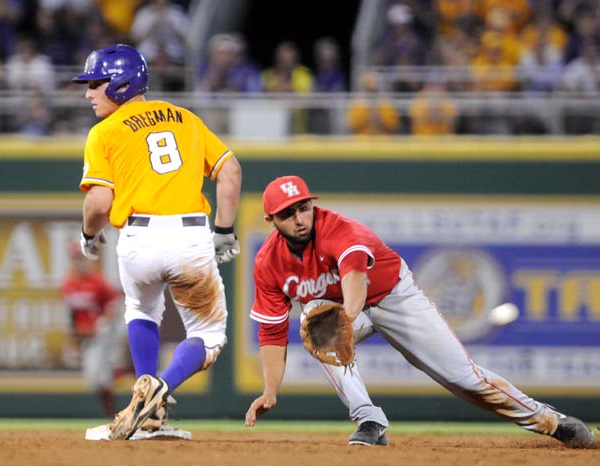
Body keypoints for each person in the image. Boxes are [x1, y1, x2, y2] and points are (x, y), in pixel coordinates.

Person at [244, 175, 595, 449]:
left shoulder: (340, 229)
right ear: (271, 219)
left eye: (303, 207)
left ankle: (550, 421)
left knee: (464, 378)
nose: (299, 218)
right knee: (317, 324)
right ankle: (369, 420)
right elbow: (272, 332)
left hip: (393, 296)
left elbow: (355, 278)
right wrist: (270, 390)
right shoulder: (267, 263)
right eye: (288, 213)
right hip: (340, 309)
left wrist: (347, 319)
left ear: (312, 205)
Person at [73, 43, 242, 440]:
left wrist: (88, 234)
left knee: (140, 312)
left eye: (95, 84)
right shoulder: (186, 119)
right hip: (188, 236)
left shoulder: (105, 132)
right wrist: (224, 230)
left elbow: (99, 201)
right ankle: (159, 392)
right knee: (209, 335)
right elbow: (230, 171)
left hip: (136, 238)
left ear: (119, 84)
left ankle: (146, 410)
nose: (87, 93)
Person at [61, 242, 122, 418]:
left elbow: (113, 303)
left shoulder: (97, 280)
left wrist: (102, 322)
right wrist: (72, 337)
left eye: (81, 258)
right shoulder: (69, 283)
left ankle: (111, 415)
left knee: (98, 374)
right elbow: (71, 314)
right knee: (94, 379)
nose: (79, 262)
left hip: (103, 331)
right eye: (75, 258)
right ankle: (125, 372)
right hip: (85, 335)